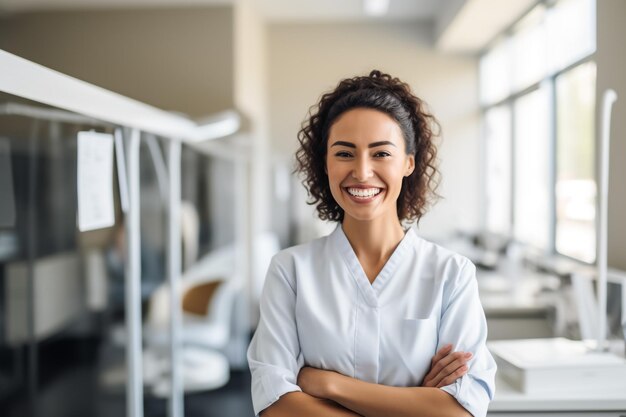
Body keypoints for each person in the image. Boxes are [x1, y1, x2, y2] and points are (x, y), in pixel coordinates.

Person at [247, 70, 496, 417]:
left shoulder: (451, 274)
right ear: (325, 164)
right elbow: (275, 403)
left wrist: (330, 385)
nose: (362, 172)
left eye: (380, 154)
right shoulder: (290, 271)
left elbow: (461, 411)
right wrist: (415, 405)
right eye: (345, 154)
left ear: (409, 163)